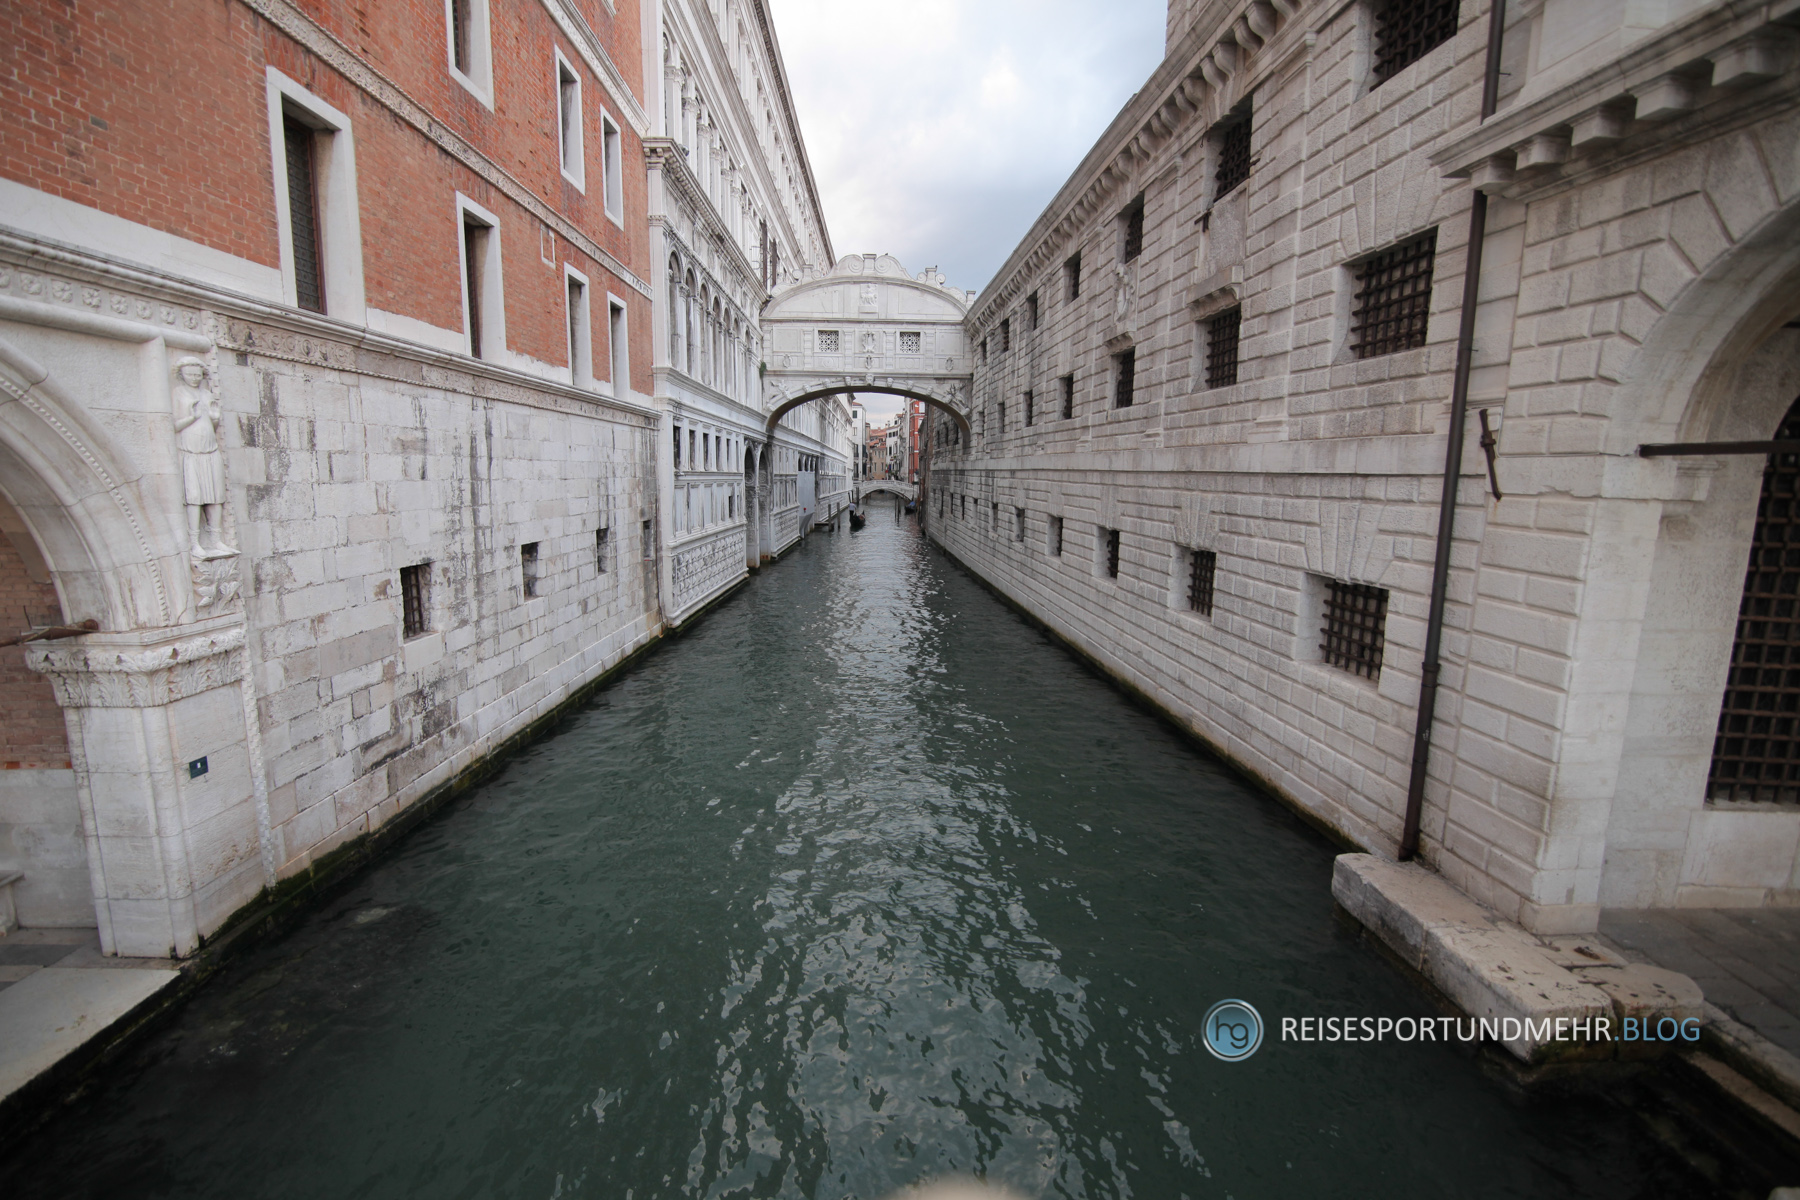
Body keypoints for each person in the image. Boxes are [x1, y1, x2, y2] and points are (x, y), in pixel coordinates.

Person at [172, 356, 236, 558]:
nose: (193, 378)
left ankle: (216, 539)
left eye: (197, 374)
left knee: (215, 496)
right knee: (194, 497)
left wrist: (214, 418)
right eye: (189, 374)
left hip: (210, 449)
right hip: (190, 452)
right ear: (181, 375)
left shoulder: (207, 394)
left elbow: (212, 426)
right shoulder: (178, 393)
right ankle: (194, 542)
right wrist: (192, 416)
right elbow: (173, 426)